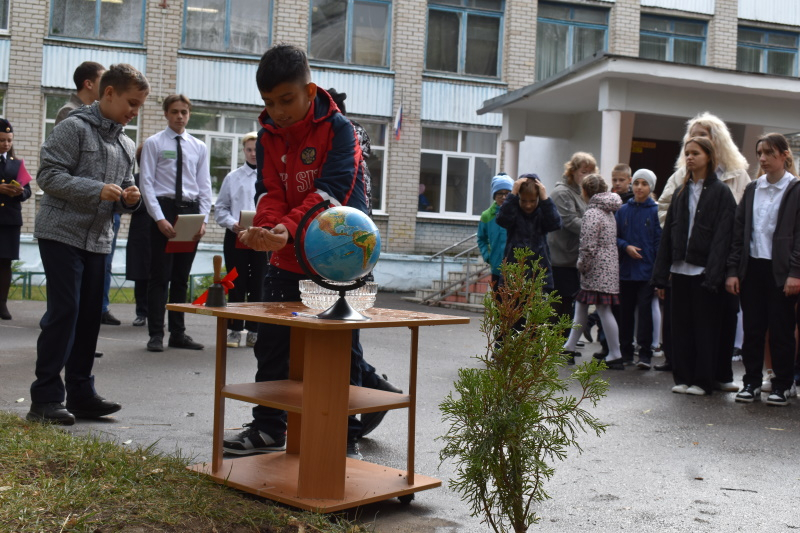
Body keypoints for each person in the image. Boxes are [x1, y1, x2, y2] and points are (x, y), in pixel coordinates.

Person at [226, 44, 369, 459]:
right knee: (271, 344)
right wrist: (268, 228)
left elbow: (331, 193)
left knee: (341, 348)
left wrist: (285, 229)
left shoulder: (341, 129)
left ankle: (344, 438)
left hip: (339, 256)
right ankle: (269, 427)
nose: (278, 111)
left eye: (286, 100)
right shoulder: (269, 134)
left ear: (309, 89)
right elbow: (269, 190)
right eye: (269, 102)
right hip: (286, 257)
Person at [26, 64, 148, 425]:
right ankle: (44, 400)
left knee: (90, 317)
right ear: (108, 93)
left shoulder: (126, 143)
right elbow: (47, 176)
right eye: (131, 102)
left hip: (99, 239)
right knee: (65, 313)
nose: (134, 111)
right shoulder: (72, 127)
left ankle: (81, 394)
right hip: (60, 234)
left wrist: (130, 198)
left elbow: (127, 188)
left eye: (139, 105)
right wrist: (95, 189)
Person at [327, 87, 402, 439]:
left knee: (343, 336)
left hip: (345, 250)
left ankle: (350, 420)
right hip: (352, 249)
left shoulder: (341, 144)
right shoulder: (353, 140)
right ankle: (374, 391)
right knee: (341, 335)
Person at [656, 112, 750, 383]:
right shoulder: (681, 177)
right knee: (690, 320)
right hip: (690, 260)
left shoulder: (736, 174)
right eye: (693, 136)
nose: (696, 140)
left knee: (725, 317)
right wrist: (684, 237)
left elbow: (743, 217)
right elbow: (666, 208)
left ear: (716, 141)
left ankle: (720, 374)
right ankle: (692, 374)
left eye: (703, 135)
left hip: (726, 257)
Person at [726, 133, 800, 406]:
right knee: (753, 329)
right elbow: (739, 233)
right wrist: (733, 270)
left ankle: (783, 383)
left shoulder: (795, 189)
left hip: (781, 271)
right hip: (752, 268)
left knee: (781, 330)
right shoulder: (753, 188)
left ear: (784, 155)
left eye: (769, 153)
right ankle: (751, 382)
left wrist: (796, 272)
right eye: (760, 153)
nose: (763, 158)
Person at [140, 94, 212, 353]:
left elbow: (204, 186)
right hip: (165, 209)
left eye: (183, 111)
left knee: (181, 277)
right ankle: (156, 334)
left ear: (189, 114)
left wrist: (202, 220)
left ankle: (178, 333)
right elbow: (146, 183)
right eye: (174, 112)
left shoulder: (198, 146)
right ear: (166, 114)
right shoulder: (154, 143)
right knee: (160, 276)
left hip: (190, 213)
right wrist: (158, 218)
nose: (179, 116)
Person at [561, 175, 624, 369]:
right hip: (609, 268)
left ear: (585, 192)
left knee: (603, 310)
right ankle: (569, 347)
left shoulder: (592, 213)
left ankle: (615, 353)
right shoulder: (608, 210)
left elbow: (588, 245)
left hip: (595, 270)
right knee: (583, 307)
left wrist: (582, 265)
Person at [214, 132, 267, 348]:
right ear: (243, 151)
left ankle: (254, 329)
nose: (254, 153)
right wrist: (231, 223)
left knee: (259, 283)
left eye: (257, 149)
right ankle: (235, 329)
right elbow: (220, 208)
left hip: (262, 237)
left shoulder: (269, 178)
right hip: (236, 235)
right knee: (236, 282)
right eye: (249, 149)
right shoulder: (232, 177)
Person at [615, 169, 661, 370]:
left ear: (651, 187)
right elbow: (613, 236)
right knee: (625, 313)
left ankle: (645, 353)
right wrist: (626, 246)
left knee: (645, 313)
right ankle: (625, 351)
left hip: (647, 271)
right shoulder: (623, 210)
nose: (640, 187)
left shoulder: (656, 211)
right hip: (626, 270)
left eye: (644, 184)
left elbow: (660, 242)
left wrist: (659, 272)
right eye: (637, 183)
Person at [548, 152, 596, 323]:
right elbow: (570, 222)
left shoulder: (580, 193)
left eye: (591, 171)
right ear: (573, 171)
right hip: (560, 260)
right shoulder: (562, 193)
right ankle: (554, 346)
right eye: (584, 171)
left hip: (574, 259)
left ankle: (565, 344)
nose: (587, 176)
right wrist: (597, 227)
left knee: (568, 304)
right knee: (559, 305)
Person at [495, 174, 562, 290]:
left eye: (532, 201)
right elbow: (502, 220)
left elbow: (555, 224)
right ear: (518, 197)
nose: (528, 205)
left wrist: (545, 200)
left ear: (538, 198)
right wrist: (512, 195)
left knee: (538, 307)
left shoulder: (543, 211)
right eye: (523, 200)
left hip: (540, 273)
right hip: (514, 271)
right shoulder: (513, 210)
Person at [0, 119, 32, 320]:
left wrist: (20, 192)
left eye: (9, 140)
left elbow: (27, 190)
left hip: (9, 221)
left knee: (4, 264)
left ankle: (2, 304)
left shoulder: (17, 163)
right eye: (2, 140)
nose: (6, 144)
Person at [126, 146, 150, 327]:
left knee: (159, 274)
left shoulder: (163, 178)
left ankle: (157, 312)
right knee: (140, 272)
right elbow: (127, 204)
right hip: (140, 230)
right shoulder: (134, 180)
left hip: (161, 230)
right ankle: (141, 312)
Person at [478, 173, 514, 288]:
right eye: (500, 193)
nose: (503, 197)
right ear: (494, 195)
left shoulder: (517, 214)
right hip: (496, 269)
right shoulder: (487, 215)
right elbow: (481, 238)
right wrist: (488, 256)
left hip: (516, 270)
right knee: (499, 303)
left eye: (507, 193)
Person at [55, 61, 105, 125]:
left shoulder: (98, 113)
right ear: (89, 84)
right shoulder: (69, 111)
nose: (106, 86)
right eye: (103, 81)